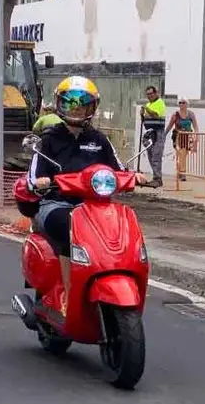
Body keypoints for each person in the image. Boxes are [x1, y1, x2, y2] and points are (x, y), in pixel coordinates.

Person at [27, 76, 148, 315]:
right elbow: (33, 176)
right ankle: (67, 293)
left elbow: (118, 169)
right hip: (57, 204)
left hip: (94, 206)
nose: (77, 108)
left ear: (92, 107)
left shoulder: (99, 140)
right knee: (69, 226)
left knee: (120, 225)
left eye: (83, 103)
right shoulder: (49, 140)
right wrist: (39, 182)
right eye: (71, 103)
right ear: (60, 104)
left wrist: (134, 176)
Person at [165, 98, 199, 182]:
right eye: (180, 103)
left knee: (184, 155)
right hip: (178, 137)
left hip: (187, 137)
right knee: (181, 153)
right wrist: (164, 134)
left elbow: (195, 126)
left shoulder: (191, 114)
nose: (181, 104)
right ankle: (183, 173)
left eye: (183, 103)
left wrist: (196, 136)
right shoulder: (175, 115)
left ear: (187, 104)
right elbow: (170, 125)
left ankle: (180, 171)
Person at [140, 85, 166, 187]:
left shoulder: (160, 103)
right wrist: (142, 114)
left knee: (156, 156)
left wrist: (147, 109)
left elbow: (156, 115)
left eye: (151, 94)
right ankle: (156, 177)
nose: (149, 96)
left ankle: (158, 179)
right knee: (151, 155)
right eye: (148, 94)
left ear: (155, 93)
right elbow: (145, 120)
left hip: (158, 132)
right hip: (150, 132)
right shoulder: (148, 104)